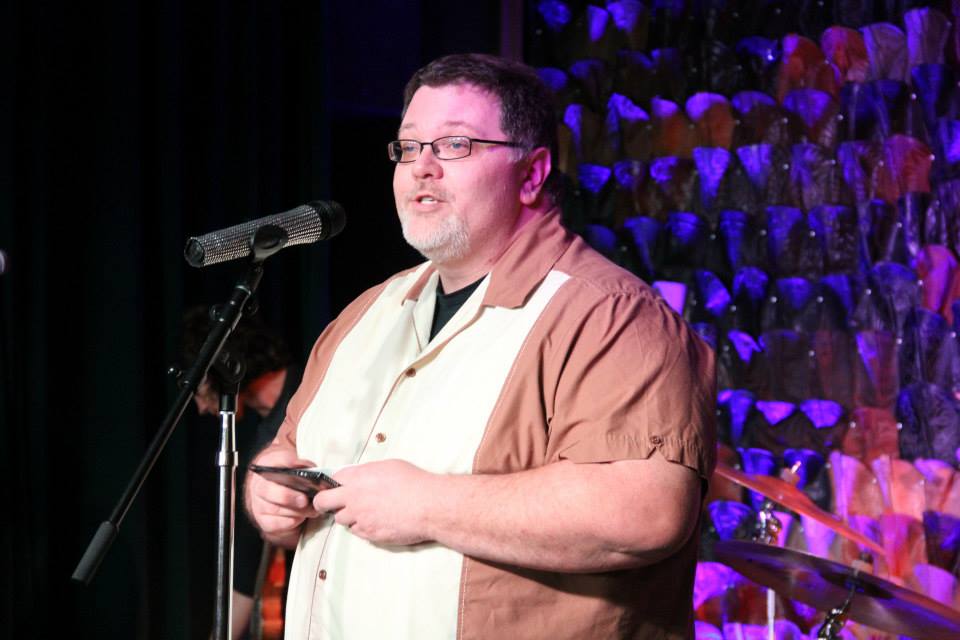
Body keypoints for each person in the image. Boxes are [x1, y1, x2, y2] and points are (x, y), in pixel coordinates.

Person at [246, 53, 716, 639]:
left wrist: (427, 505)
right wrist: (270, 493)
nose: (421, 168)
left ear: (532, 173)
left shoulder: (612, 315)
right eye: (408, 147)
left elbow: (643, 513)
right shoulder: (365, 315)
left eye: (455, 145)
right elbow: (290, 450)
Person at [180, 307, 301, 639]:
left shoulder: (316, 388)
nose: (200, 406)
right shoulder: (263, 435)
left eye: (197, 388)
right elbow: (247, 563)